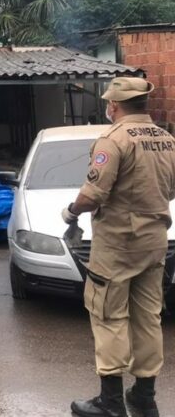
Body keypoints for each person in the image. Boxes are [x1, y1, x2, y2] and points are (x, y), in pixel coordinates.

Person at [63, 77, 174, 417]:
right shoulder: (167, 140)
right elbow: (169, 191)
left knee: (108, 316)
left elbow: (93, 194)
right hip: (155, 243)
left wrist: (70, 212)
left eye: (109, 104)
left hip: (117, 245)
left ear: (114, 106)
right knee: (147, 318)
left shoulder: (113, 140)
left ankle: (111, 403)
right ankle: (144, 395)